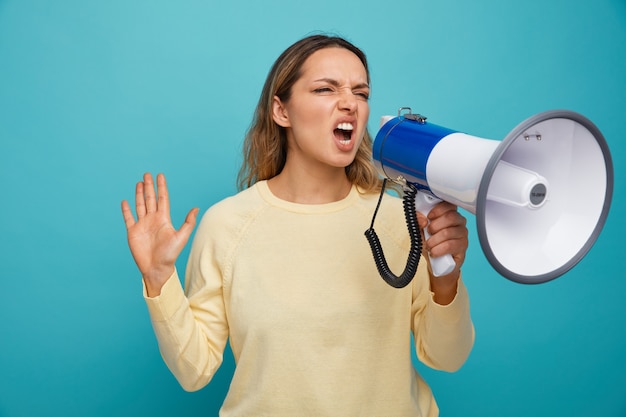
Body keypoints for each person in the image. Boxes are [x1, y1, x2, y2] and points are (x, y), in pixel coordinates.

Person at [121, 34, 474, 417]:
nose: (349, 104)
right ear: (281, 111)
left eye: (361, 93)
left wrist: (446, 281)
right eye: (325, 89)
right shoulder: (227, 225)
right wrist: (159, 279)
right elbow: (194, 371)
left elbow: (447, 358)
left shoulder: (399, 219)